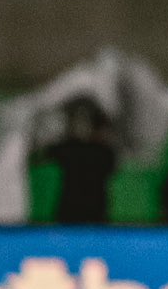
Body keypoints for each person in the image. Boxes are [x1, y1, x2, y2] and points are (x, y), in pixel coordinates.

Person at [38, 96, 118, 225]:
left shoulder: (96, 151)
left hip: (86, 215)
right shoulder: (100, 152)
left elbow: (41, 157)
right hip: (81, 214)